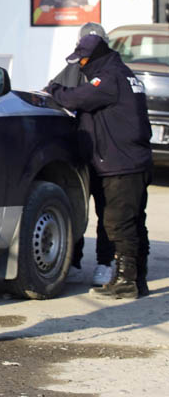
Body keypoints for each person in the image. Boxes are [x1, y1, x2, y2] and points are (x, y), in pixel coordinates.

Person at [46, 34, 152, 299]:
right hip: (133, 160)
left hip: (120, 164)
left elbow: (77, 99)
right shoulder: (124, 74)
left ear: (94, 57)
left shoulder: (108, 77)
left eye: (82, 59)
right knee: (135, 222)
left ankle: (126, 281)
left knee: (119, 224)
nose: (80, 65)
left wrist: (53, 91)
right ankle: (137, 279)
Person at [48, 22, 115, 287]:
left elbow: (80, 98)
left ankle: (105, 262)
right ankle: (73, 260)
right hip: (79, 154)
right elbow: (52, 93)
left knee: (107, 213)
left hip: (107, 155)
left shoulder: (113, 74)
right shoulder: (71, 70)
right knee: (73, 207)